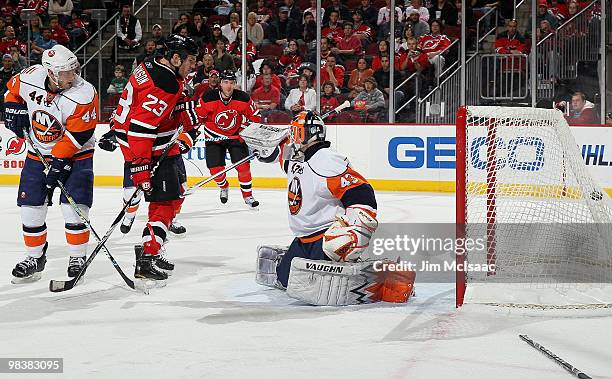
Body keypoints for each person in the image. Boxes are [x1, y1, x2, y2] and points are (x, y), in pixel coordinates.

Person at [250, 111, 415, 305]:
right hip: (304, 238)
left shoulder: (327, 161)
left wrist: (355, 227)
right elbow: (281, 157)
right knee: (285, 280)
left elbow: (362, 192)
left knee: (317, 289)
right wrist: (265, 148)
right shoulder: (297, 157)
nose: (293, 137)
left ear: (308, 134)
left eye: (296, 132)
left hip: (326, 236)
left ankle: (386, 276)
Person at [5, 45, 99, 282]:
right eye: (66, 72)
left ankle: (77, 257)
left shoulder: (84, 93)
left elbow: (79, 135)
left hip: (78, 157)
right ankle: (35, 257)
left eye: (73, 69)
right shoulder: (30, 77)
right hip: (38, 156)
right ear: (51, 73)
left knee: (74, 210)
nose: (73, 75)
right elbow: (11, 92)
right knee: (31, 209)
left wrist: (60, 162)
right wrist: (12, 108)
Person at [109, 35, 198, 281]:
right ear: (176, 58)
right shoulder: (165, 83)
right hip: (147, 148)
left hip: (150, 143)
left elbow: (145, 107)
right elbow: (140, 127)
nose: (194, 65)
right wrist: (141, 167)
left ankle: (152, 249)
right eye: (191, 60)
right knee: (166, 203)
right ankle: (147, 256)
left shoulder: (153, 65)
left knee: (176, 192)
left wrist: (183, 108)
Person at [194, 70, 262, 207]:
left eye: (231, 83)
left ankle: (248, 196)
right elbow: (198, 116)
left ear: (235, 84)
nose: (229, 86)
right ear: (220, 83)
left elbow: (256, 117)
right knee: (215, 171)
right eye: (225, 82)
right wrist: (192, 132)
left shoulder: (243, 98)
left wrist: (243, 129)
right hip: (213, 137)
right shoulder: (208, 97)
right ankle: (224, 186)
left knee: (243, 167)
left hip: (235, 137)